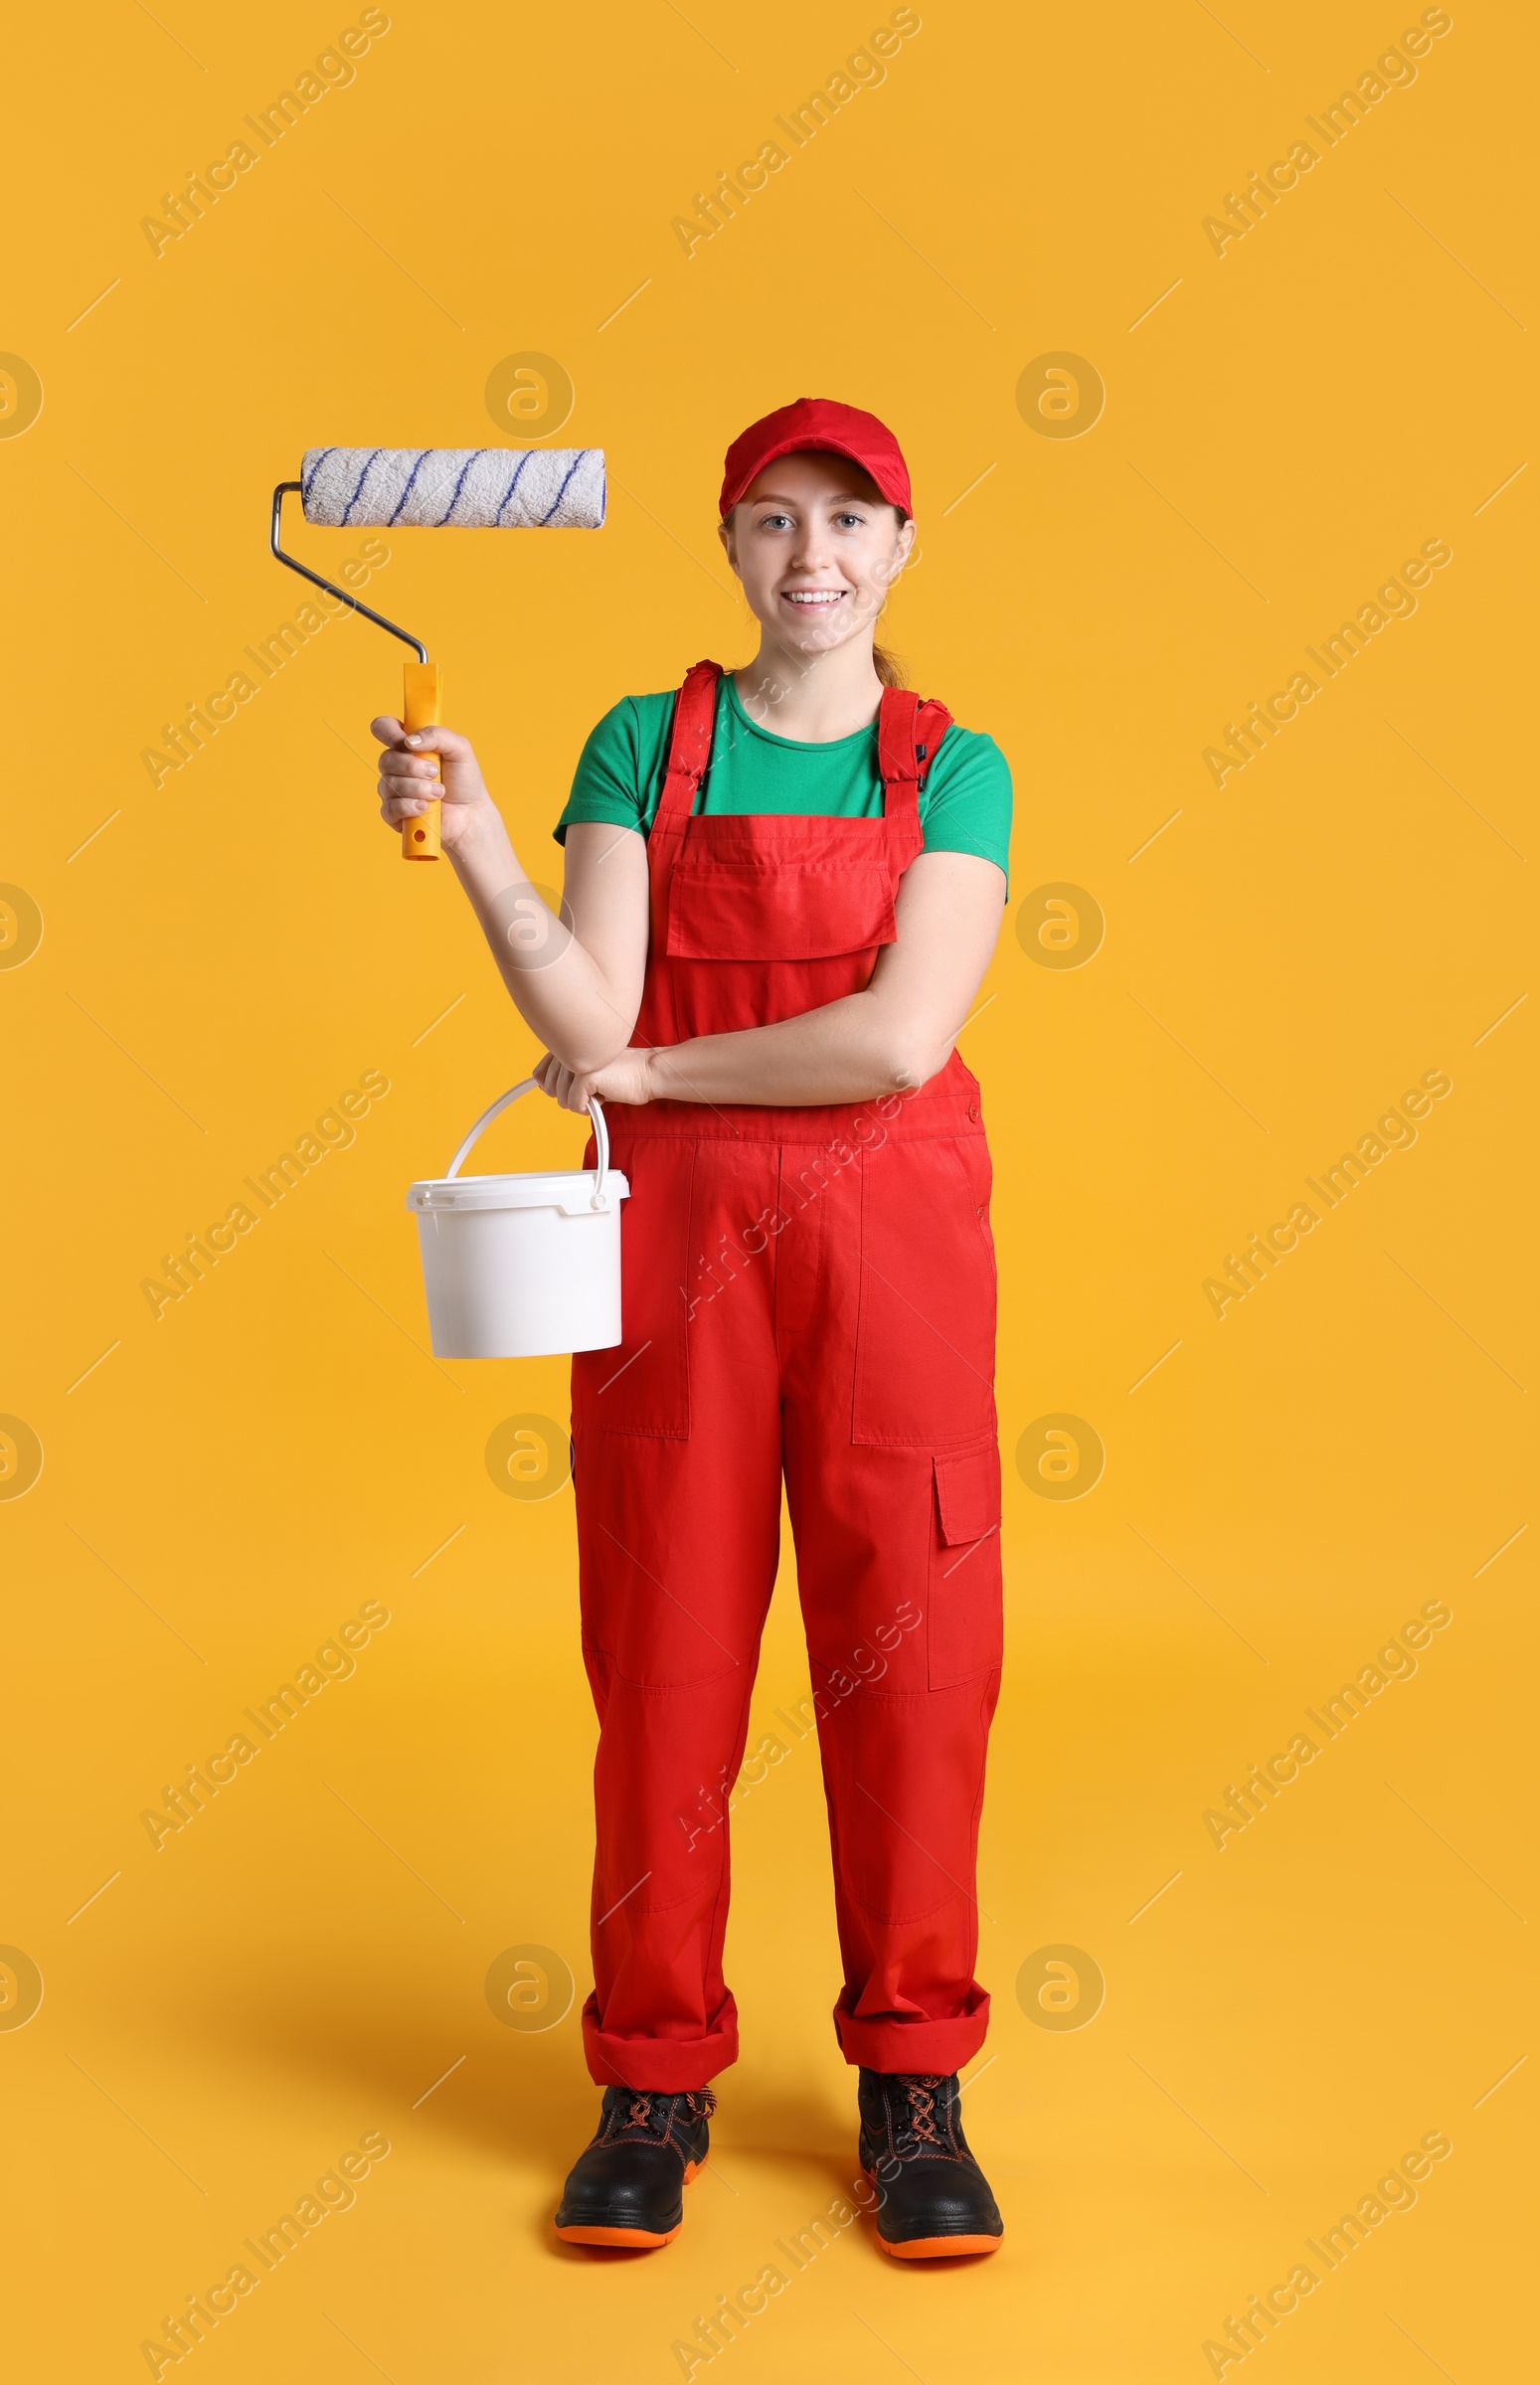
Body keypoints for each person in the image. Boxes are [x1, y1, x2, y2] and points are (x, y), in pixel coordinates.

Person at [372, 399, 1011, 2259]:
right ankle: (652, 2075)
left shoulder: (948, 765)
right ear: (727, 545)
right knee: (658, 1656)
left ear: (902, 545)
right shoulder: (641, 746)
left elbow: (899, 1040)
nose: (812, 556)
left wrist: (650, 1064)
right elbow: (582, 1005)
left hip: (894, 1252)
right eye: (771, 522)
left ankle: (914, 2082)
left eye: (848, 521)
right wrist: (485, 838)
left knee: (918, 1657)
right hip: (672, 1258)